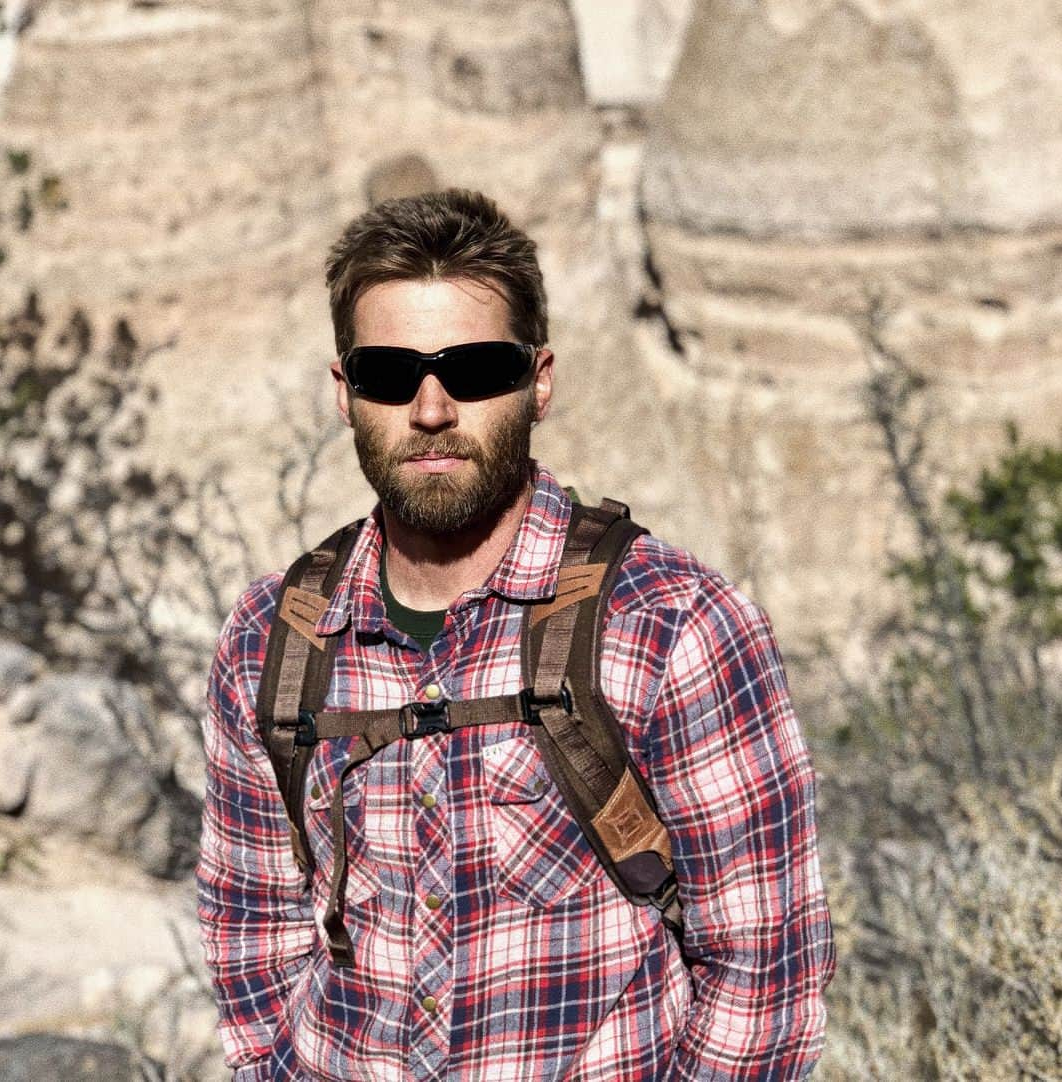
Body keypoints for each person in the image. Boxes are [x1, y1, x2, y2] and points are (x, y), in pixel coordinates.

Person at [196, 188, 836, 1081]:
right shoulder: (272, 641)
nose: (430, 410)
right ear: (346, 393)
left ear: (539, 380)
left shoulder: (673, 627)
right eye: (390, 374)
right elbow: (254, 943)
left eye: (475, 368)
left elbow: (765, 979)